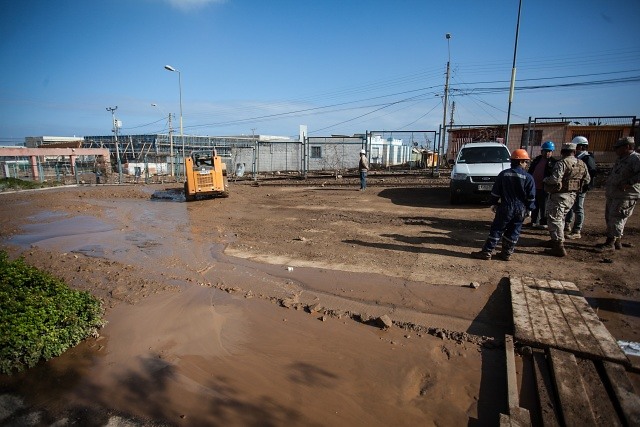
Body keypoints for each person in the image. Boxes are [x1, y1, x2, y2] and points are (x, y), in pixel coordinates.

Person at [471, 149, 536, 261]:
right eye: (525, 161)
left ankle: (487, 252)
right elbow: (531, 196)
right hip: (521, 209)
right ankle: (506, 253)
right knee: (514, 231)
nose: (526, 164)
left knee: (497, 229)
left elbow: (496, 191)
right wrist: (530, 209)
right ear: (520, 162)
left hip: (506, 207)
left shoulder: (503, 174)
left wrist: (493, 203)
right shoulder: (528, 178)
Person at [541, 142, 590, 257]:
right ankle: (556, 240)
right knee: (561, 218)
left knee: (554, 219)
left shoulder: (562, 163)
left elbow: (555, 179)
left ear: (562, 152)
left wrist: (545, 180)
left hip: (559, 195)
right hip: (572, 196)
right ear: (574, 151)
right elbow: (587, 179)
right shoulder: (581, 163)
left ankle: (558, 245)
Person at [597, 136, 640, 250]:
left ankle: (610, 242)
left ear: (627, 147)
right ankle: (616, 241)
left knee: (617, 217)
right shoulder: (622, 158)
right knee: (611, 217)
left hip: (625, 195)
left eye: (618, 147)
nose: (616, 150)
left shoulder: (635, 159)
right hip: (614, 194)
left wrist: (629, 182)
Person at [565, 136, 597, 239]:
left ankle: (577, 230)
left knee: (578, 208)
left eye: (576, 147)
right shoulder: (578, 158)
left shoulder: (588, 158)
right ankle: (567, 224)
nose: (575, 149)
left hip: (581, 188)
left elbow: (591, 174)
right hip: (573, 187)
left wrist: (584, 186)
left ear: (582, 147)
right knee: (569, 206)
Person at [527, 141, 557, 228]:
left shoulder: (554, 162)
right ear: (542, 151)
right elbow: (531, 171)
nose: (547, 153)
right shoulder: (537, 160)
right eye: (546, 151)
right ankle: (534, 221)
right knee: (534, 205)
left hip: (545, 188)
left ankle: (543, 222)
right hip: (535, 187)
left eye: (549, 151)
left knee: (544, 205)